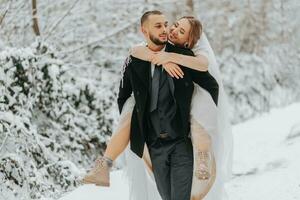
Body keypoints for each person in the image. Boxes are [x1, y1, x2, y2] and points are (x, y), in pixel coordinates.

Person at [83, 11, 233, 200]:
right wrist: (138, 123)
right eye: (159, 26)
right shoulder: (135, 60)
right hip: (154, 146)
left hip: (180, 144)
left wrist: (201, 113)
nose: (166, 30)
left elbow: (210, 82)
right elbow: (123, 95)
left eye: (166, 24)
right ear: (144, 30)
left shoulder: (185, 57)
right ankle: (103, 164)